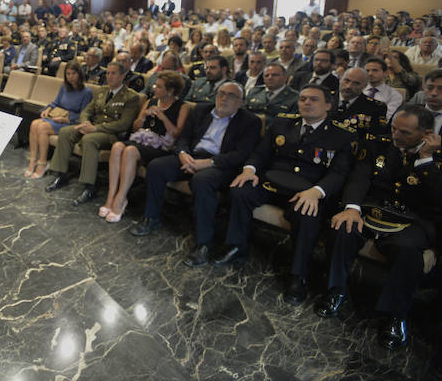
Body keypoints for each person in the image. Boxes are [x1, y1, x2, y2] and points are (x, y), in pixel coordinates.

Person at [213, 85, 358, 305]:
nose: (306, 103)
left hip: (306, 191)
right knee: (240, 190)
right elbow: (261, 153)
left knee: (308, 214)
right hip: (272, 183)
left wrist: (316, 192)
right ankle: (236, 246)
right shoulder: (283, 123)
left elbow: (339, 172)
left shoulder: (342, 135)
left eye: (313, 99)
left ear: (328, 105)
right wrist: (249, 170)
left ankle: (297, 276)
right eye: (302, 98)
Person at [314, 106, 442, 350]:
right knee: (343, 228)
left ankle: (395, 315)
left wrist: (426, 159)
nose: (396, 135)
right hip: (372, 210)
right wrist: (352, 207)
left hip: (411, 220)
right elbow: (360, 177)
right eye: (393, 128)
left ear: (426, 133)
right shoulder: (377, 144)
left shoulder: (436, 156)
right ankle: (336, 290)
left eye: (404, 132)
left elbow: (437, 199)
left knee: (407, 254)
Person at [130, 82, 261, 268]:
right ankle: (152, 217)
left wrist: (207, 163)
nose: (223, 98)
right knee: (157, 166)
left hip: (220, 164)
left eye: (230, 95)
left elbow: (241, 154)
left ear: (240, 102)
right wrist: (183, 155)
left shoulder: (250, 121)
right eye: (221, 93)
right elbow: (183, 138)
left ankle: (203, 243)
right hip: (192, 157)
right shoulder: (201, 110)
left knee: (202, 180)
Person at [45, 61, 141, 205]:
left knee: (89, 139)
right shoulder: (102, 91)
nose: (109, 76)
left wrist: (95, 129)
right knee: (65, 132)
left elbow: (123, 124)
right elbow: (87, 111)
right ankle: (62, 175)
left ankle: (89, 187)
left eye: (113, 73)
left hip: (110, 134)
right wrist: (85, 123)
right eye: (108, 73)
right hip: (91, 127)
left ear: (122, 76)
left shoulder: (131, 96)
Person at [102, 71, 190, 223]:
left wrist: (163, 117)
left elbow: (177, 134)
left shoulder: (182, 107)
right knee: (117, 146)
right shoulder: (151, 101)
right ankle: (111, 196)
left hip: (162, 147)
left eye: (159, 87)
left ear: (170, 91)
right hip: (142, 140)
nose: (154, 88)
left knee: (129, 150)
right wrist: (143, 117)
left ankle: (121, 198)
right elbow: (136, 127)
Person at [24, 61, 93, 179]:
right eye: (68, 74)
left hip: (70, 122)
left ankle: (42, 163)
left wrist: (65, 119)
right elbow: (55, 103)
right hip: (57, 117)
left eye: (73, 73)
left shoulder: (86, 92)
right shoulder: (64, 87)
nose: (70, 77)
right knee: (34, 124)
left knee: (41, 127)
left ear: (79, 74)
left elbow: (84, 114)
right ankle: (32, 161)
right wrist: (48, 109)